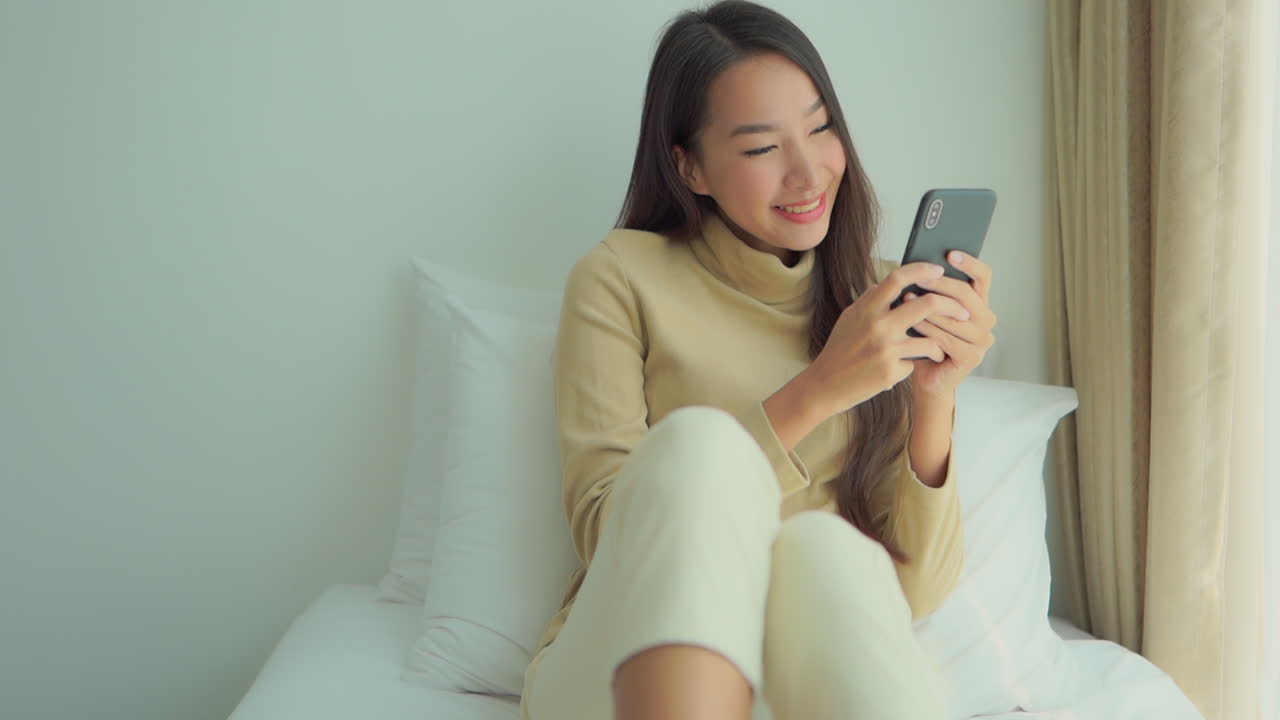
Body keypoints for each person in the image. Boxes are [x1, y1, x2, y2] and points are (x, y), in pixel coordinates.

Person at [519, 2, 996, 719]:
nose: (808, 174)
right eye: (761, 148)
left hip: (801, 677)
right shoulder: (619, 277)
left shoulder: (875, 301)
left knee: (828, 557)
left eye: (820, 127)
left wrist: (934, 396)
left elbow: (915, 592)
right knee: (701, 446)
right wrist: (821, 387)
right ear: (690, 167)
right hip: (621, 664)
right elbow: (607, 531)